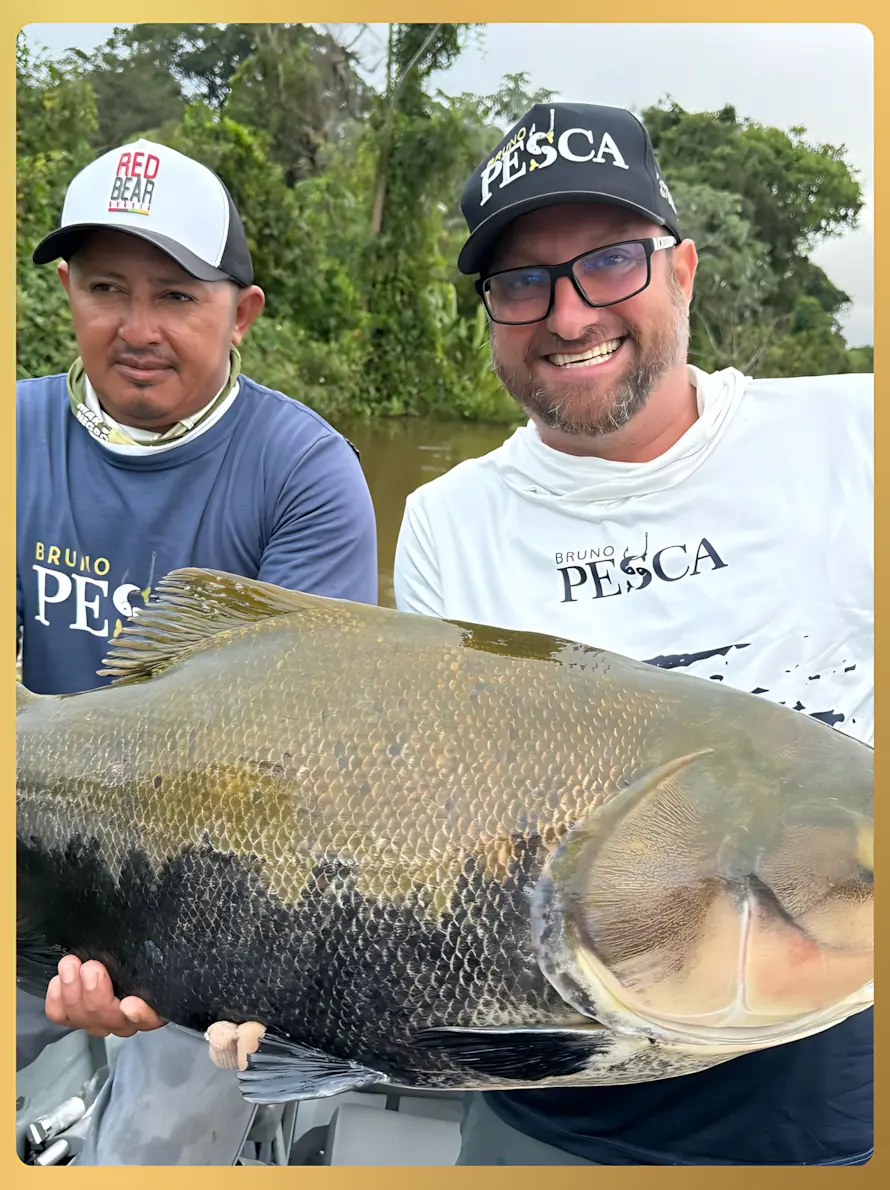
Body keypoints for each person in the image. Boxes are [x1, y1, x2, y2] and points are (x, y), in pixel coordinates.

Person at [393, 102, 873, 1166]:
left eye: (610, 262)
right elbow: (442, 847)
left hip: (833, 1102)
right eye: (522, 281)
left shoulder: (853, 439)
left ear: (682, 270)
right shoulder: (447, 525)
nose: (568, 316)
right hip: (549, 1101)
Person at [16, 136, 378, 1165]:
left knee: (155, 1147)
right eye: (105, 288)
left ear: (242, 312)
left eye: (176, 295)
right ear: (66, 292)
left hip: (208, 893)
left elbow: (297, 766)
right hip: (32, 841)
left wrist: (164, 955)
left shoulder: (303, 474)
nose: (137, 328)